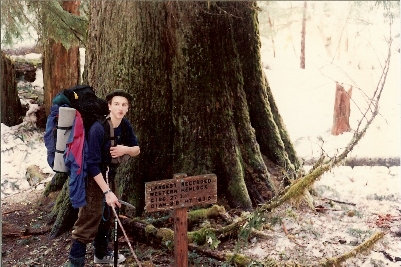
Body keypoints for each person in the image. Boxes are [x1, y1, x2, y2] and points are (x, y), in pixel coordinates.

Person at [68, 89, 140, 266]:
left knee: (108, 214)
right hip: (94, 177)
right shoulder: (98, 129)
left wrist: (126, 150)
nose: (120, 108)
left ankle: (100, 254)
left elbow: (136, 149)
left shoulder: (125, 125)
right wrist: (107, 191)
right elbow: (92, 164)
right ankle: (74, 262)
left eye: (124, 105)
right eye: (116, 104)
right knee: (89, 218)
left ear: (128, 108)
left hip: (109, 175)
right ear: (109, 106)